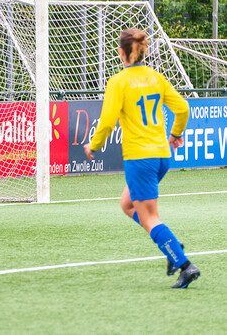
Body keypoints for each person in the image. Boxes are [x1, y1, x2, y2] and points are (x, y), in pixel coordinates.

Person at [83, 28, 199, 289]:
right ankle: (169, 244)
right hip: (161, 155)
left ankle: (184, 264)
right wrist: (176, 134)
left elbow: (108, 121)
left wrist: (94, 144)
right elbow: (182, 107)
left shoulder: (118, 82)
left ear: (121, 53)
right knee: (127, 205)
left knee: (149, 217)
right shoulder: (156, 77)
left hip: (140, 158)